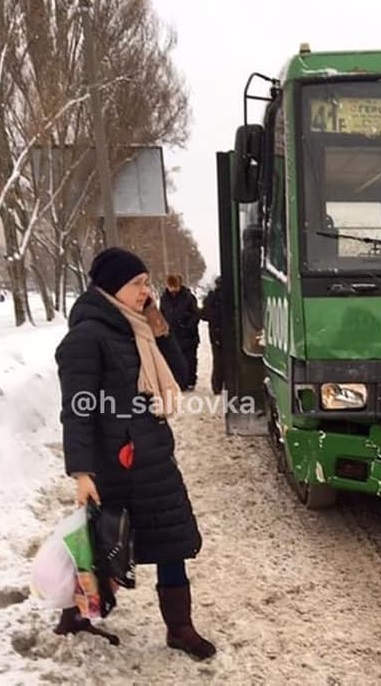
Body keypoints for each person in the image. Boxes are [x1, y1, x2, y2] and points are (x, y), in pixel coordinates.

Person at [54, 247, 215, 660]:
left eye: (146, 282)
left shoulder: (138, 327)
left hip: (154, 454)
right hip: (115, 462)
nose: (147, 291)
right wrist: (82, 472)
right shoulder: (86, 337)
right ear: (113, 288)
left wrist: (160, 330)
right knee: (103, 541)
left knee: (172, 539)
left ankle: (180, 629)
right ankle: (76, 615)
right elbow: (77, 408)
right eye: (138, 284)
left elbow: (179, 378)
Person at [160, 274, 200, 391]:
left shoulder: (188, 297)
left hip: (188, 336)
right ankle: (179, 382)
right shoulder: (164, 298)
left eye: (174, 286)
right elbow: (162, 313)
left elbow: (195, 314)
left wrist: (187, 327)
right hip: (172, 335)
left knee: (189, 359)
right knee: (174, 360)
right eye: (170, 286)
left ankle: (190, 381)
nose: (172, 289)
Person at [200, 276, 224, 395]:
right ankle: (226, 384)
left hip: (215, 332)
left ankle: (217, 385)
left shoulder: (211, 297)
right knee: (228, 359)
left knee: (218, 359)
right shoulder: (228, 297)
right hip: (227, 332)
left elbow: (204, 315)